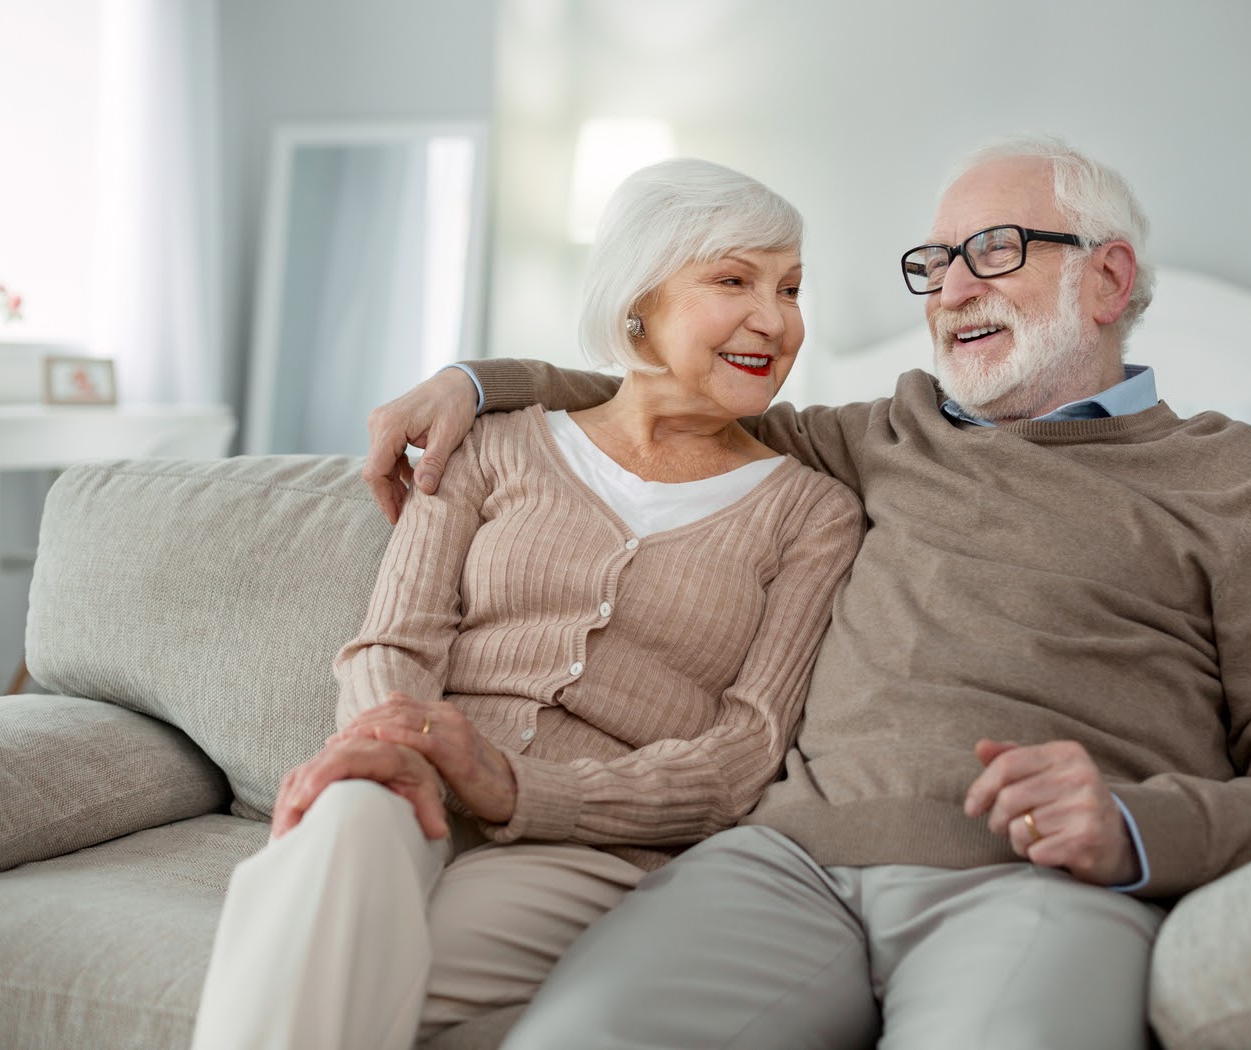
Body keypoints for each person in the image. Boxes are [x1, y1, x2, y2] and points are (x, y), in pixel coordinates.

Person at [363, 134, 1251, 1050]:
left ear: (1107, 279)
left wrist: (1132, 824)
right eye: (935, 264)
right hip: (781, 864)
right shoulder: (885, 433)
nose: (950, 292)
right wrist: (473, 383)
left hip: (1034, 884)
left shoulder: (1235, 481)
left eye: (994, 251)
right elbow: (661, 393)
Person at [190, 158, 863, 1050]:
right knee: (349, 824)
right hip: (413, 781)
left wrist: (519, 787)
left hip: (589, 846)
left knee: (341, 970)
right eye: (734, 281)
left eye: (791, 288)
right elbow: (395, 643)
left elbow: (743, 755)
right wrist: (391, 741)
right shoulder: (493, 445)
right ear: (640, 300)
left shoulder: (812, 512)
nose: (775, 320)